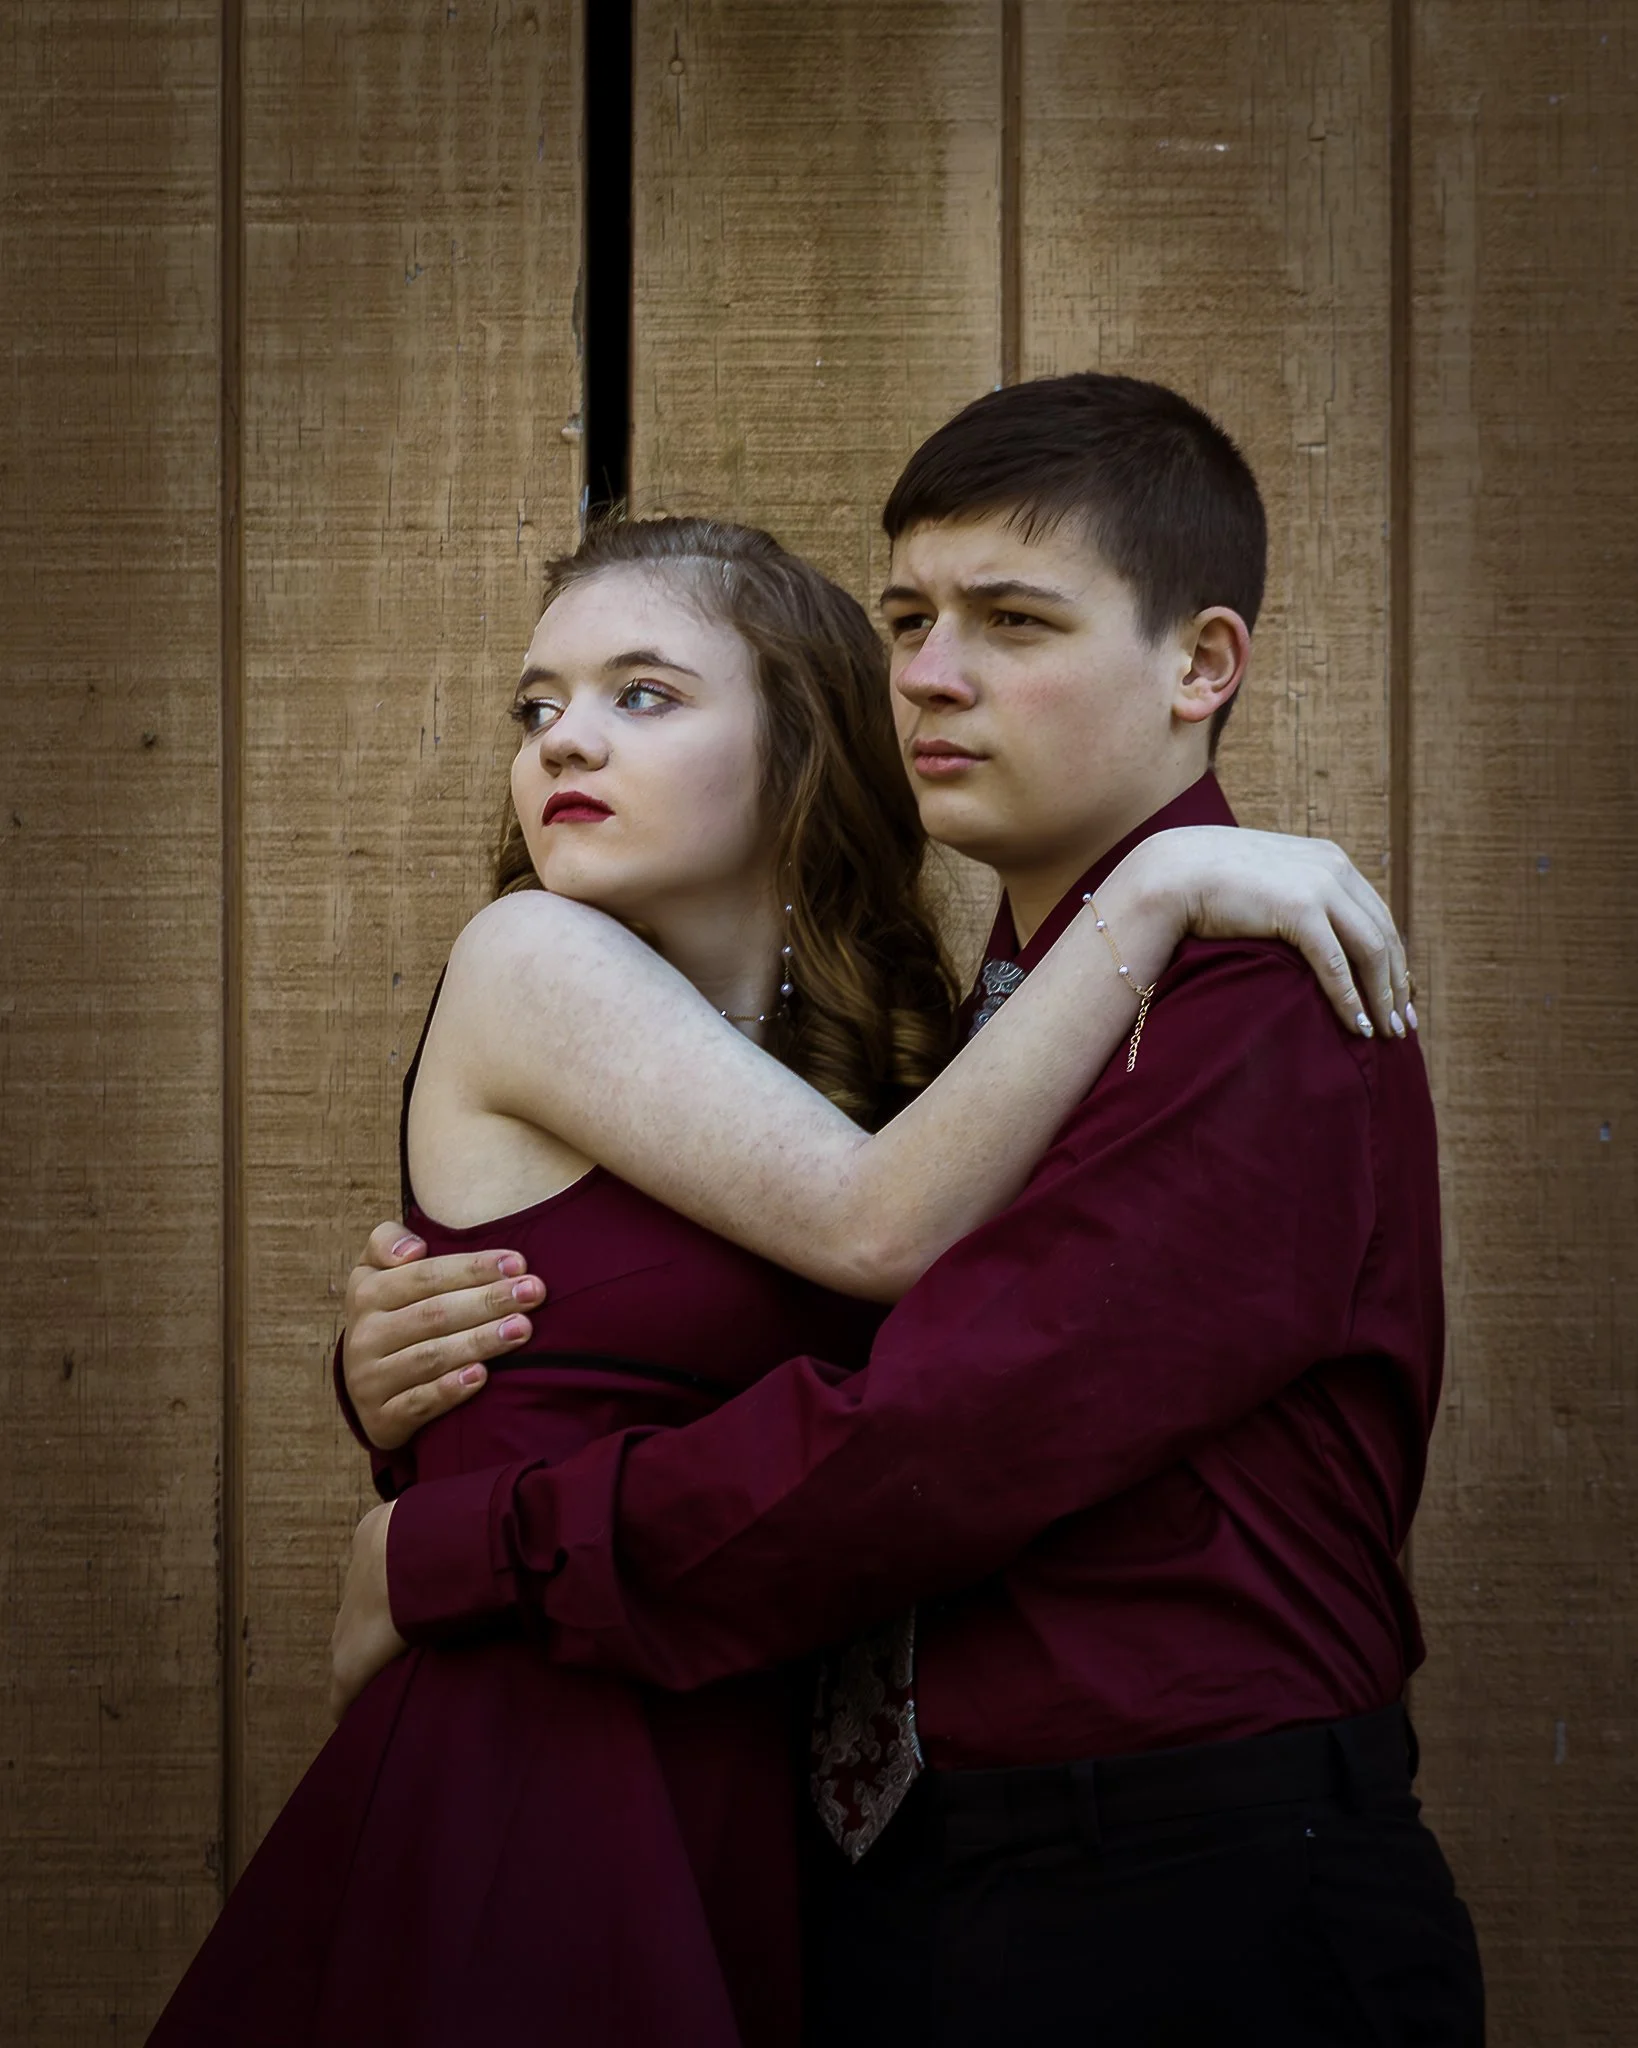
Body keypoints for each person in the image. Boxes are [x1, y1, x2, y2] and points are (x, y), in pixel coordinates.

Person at [148, 505, 1400, 2048]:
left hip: (768, 1782)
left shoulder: (898, 1076)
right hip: (544, 1751)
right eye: (536, 707)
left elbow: (902, 1353)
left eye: (641, 695)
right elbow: (873, 1233)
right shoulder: (528, 955)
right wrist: (1157, 887)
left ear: (797, 744)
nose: (564, 741)